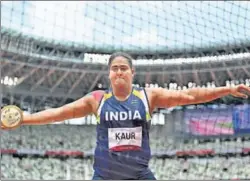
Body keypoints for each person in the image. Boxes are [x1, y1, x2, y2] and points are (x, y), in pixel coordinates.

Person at [1, 52, 250, 180]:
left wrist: (225, 89)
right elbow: (58, 114)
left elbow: (189, 96)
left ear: (132, 72)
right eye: (114, 69)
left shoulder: (148, 96)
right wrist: (25, 118)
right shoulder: (97, 100)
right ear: (109, 74)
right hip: (105, 175)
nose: (118, 72)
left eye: (123, 68)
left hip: (139, 174)